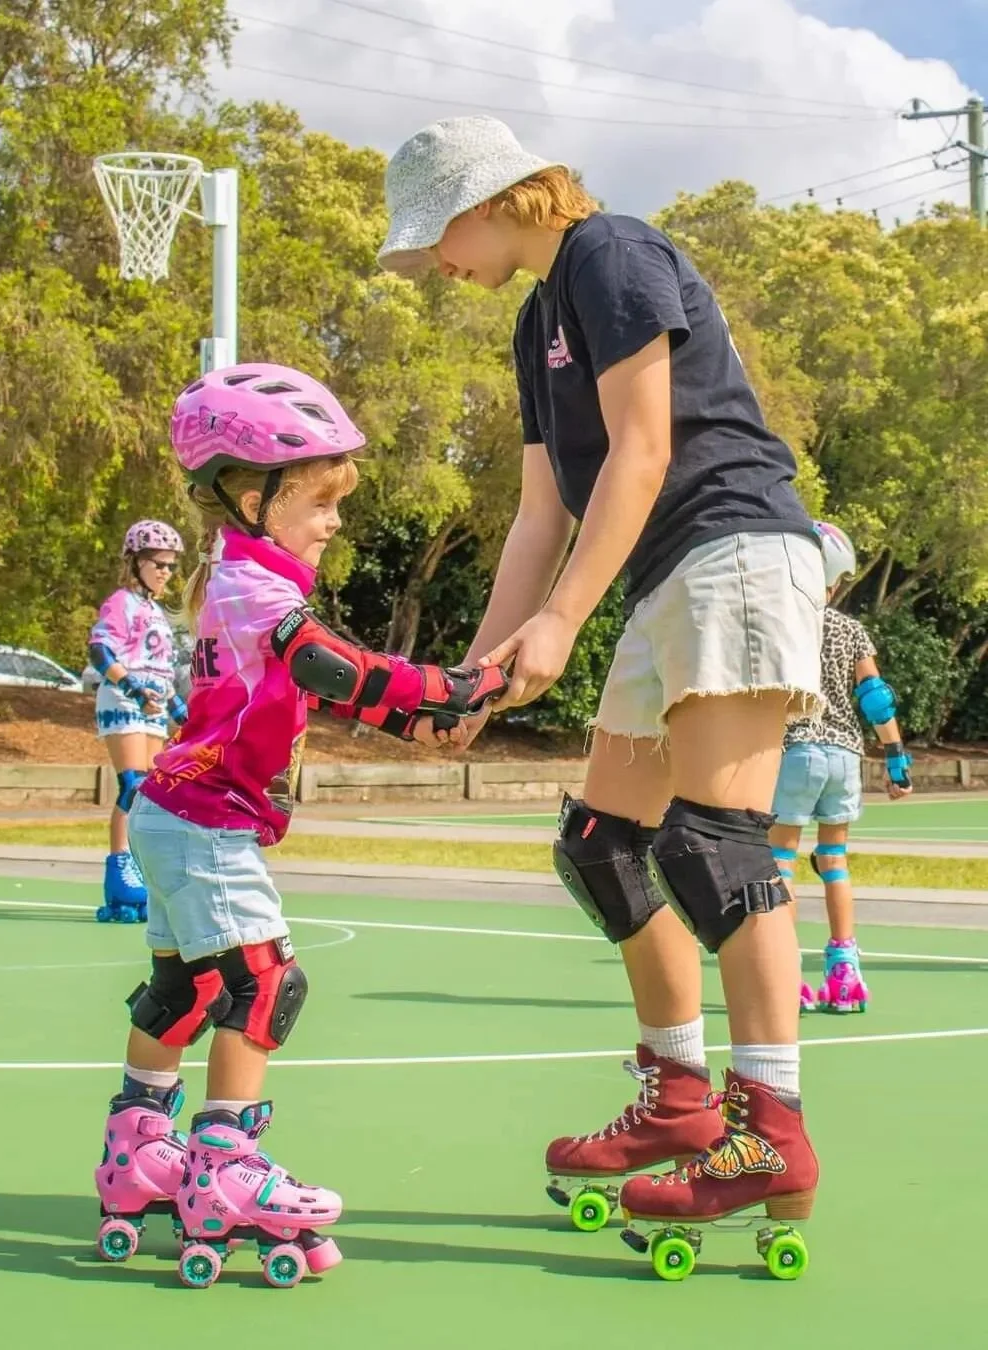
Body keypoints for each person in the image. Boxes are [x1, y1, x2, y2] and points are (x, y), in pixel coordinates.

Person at [378, 115, 827, 1250]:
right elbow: (543, 515)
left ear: (492, 200)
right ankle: (679, 1099)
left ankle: (772, 1131)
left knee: (715, 845)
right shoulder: (537, 319)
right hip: (666, 575)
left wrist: (563, 622)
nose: (433, 263)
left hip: (734, 550)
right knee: (603, 843)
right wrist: (472, 680)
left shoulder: (610, 253)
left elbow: (644, 449)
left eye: (435, 236)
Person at [94, 364, 507, 1288]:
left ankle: (140, 1150)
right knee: (264, 984)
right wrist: (446, 686)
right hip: (206, 818)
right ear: (254, 499)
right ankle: (225, 1168)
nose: (334, 522)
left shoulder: (241, 578)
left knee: (186, 989)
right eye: (320, 502)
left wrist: (417, 723)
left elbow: (312, 686)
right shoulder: (255, 586)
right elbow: (328, 666)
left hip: (175, 809)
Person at [770, 521, 913, 1014]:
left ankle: (784, 973)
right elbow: (875, 698)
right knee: (833, 860)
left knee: (781, 862)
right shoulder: (852, 630)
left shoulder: (781, 623)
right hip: (845, 755)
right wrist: (896, 758)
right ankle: (845, 975)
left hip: (795, 749)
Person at [89, 520, 187, 923]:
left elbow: (162, 670)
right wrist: (132, 688)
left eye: (171, 566)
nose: (165, 572)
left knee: (150, 794)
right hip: (124, 699)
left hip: (154, 707)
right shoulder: (122, 602)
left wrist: (180, 710)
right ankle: (119, 871)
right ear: (135, 562)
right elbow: (100, 651)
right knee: (132, 786)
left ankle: (141, 868)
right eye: (158, 564)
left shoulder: (157, 612)